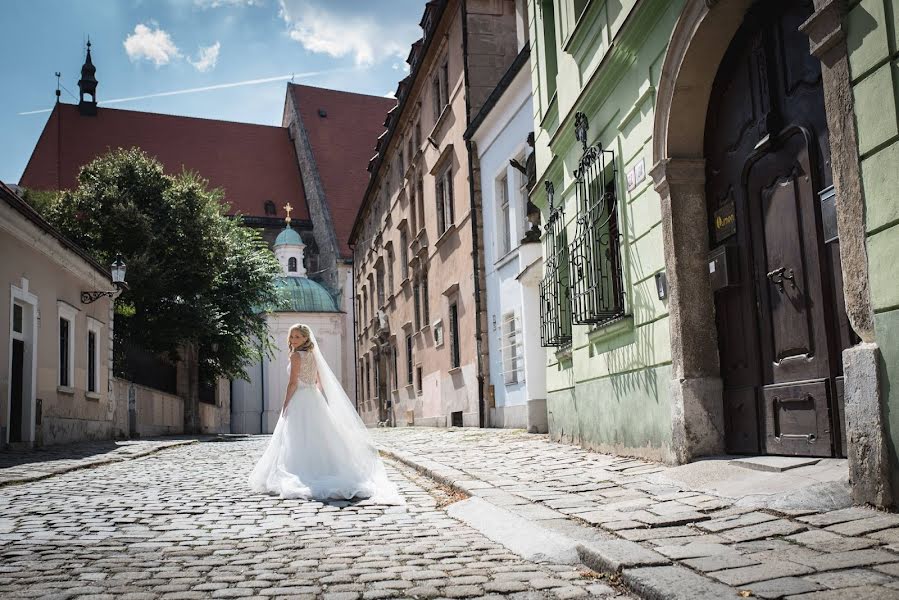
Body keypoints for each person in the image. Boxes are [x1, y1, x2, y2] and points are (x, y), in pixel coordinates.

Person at [248, 323, 403, 504]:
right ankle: (325, 468)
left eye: (297, 336)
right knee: (319, 435)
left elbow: (292, 383)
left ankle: (302, 471)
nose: (293, 339)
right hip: (313, 397)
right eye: (291, 336)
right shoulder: (313, 355)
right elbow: (319, 382)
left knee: (298, 436)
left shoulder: (296, 355)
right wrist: (320, 400)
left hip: (300, 398)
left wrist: (286, 402)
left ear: (306, 338)